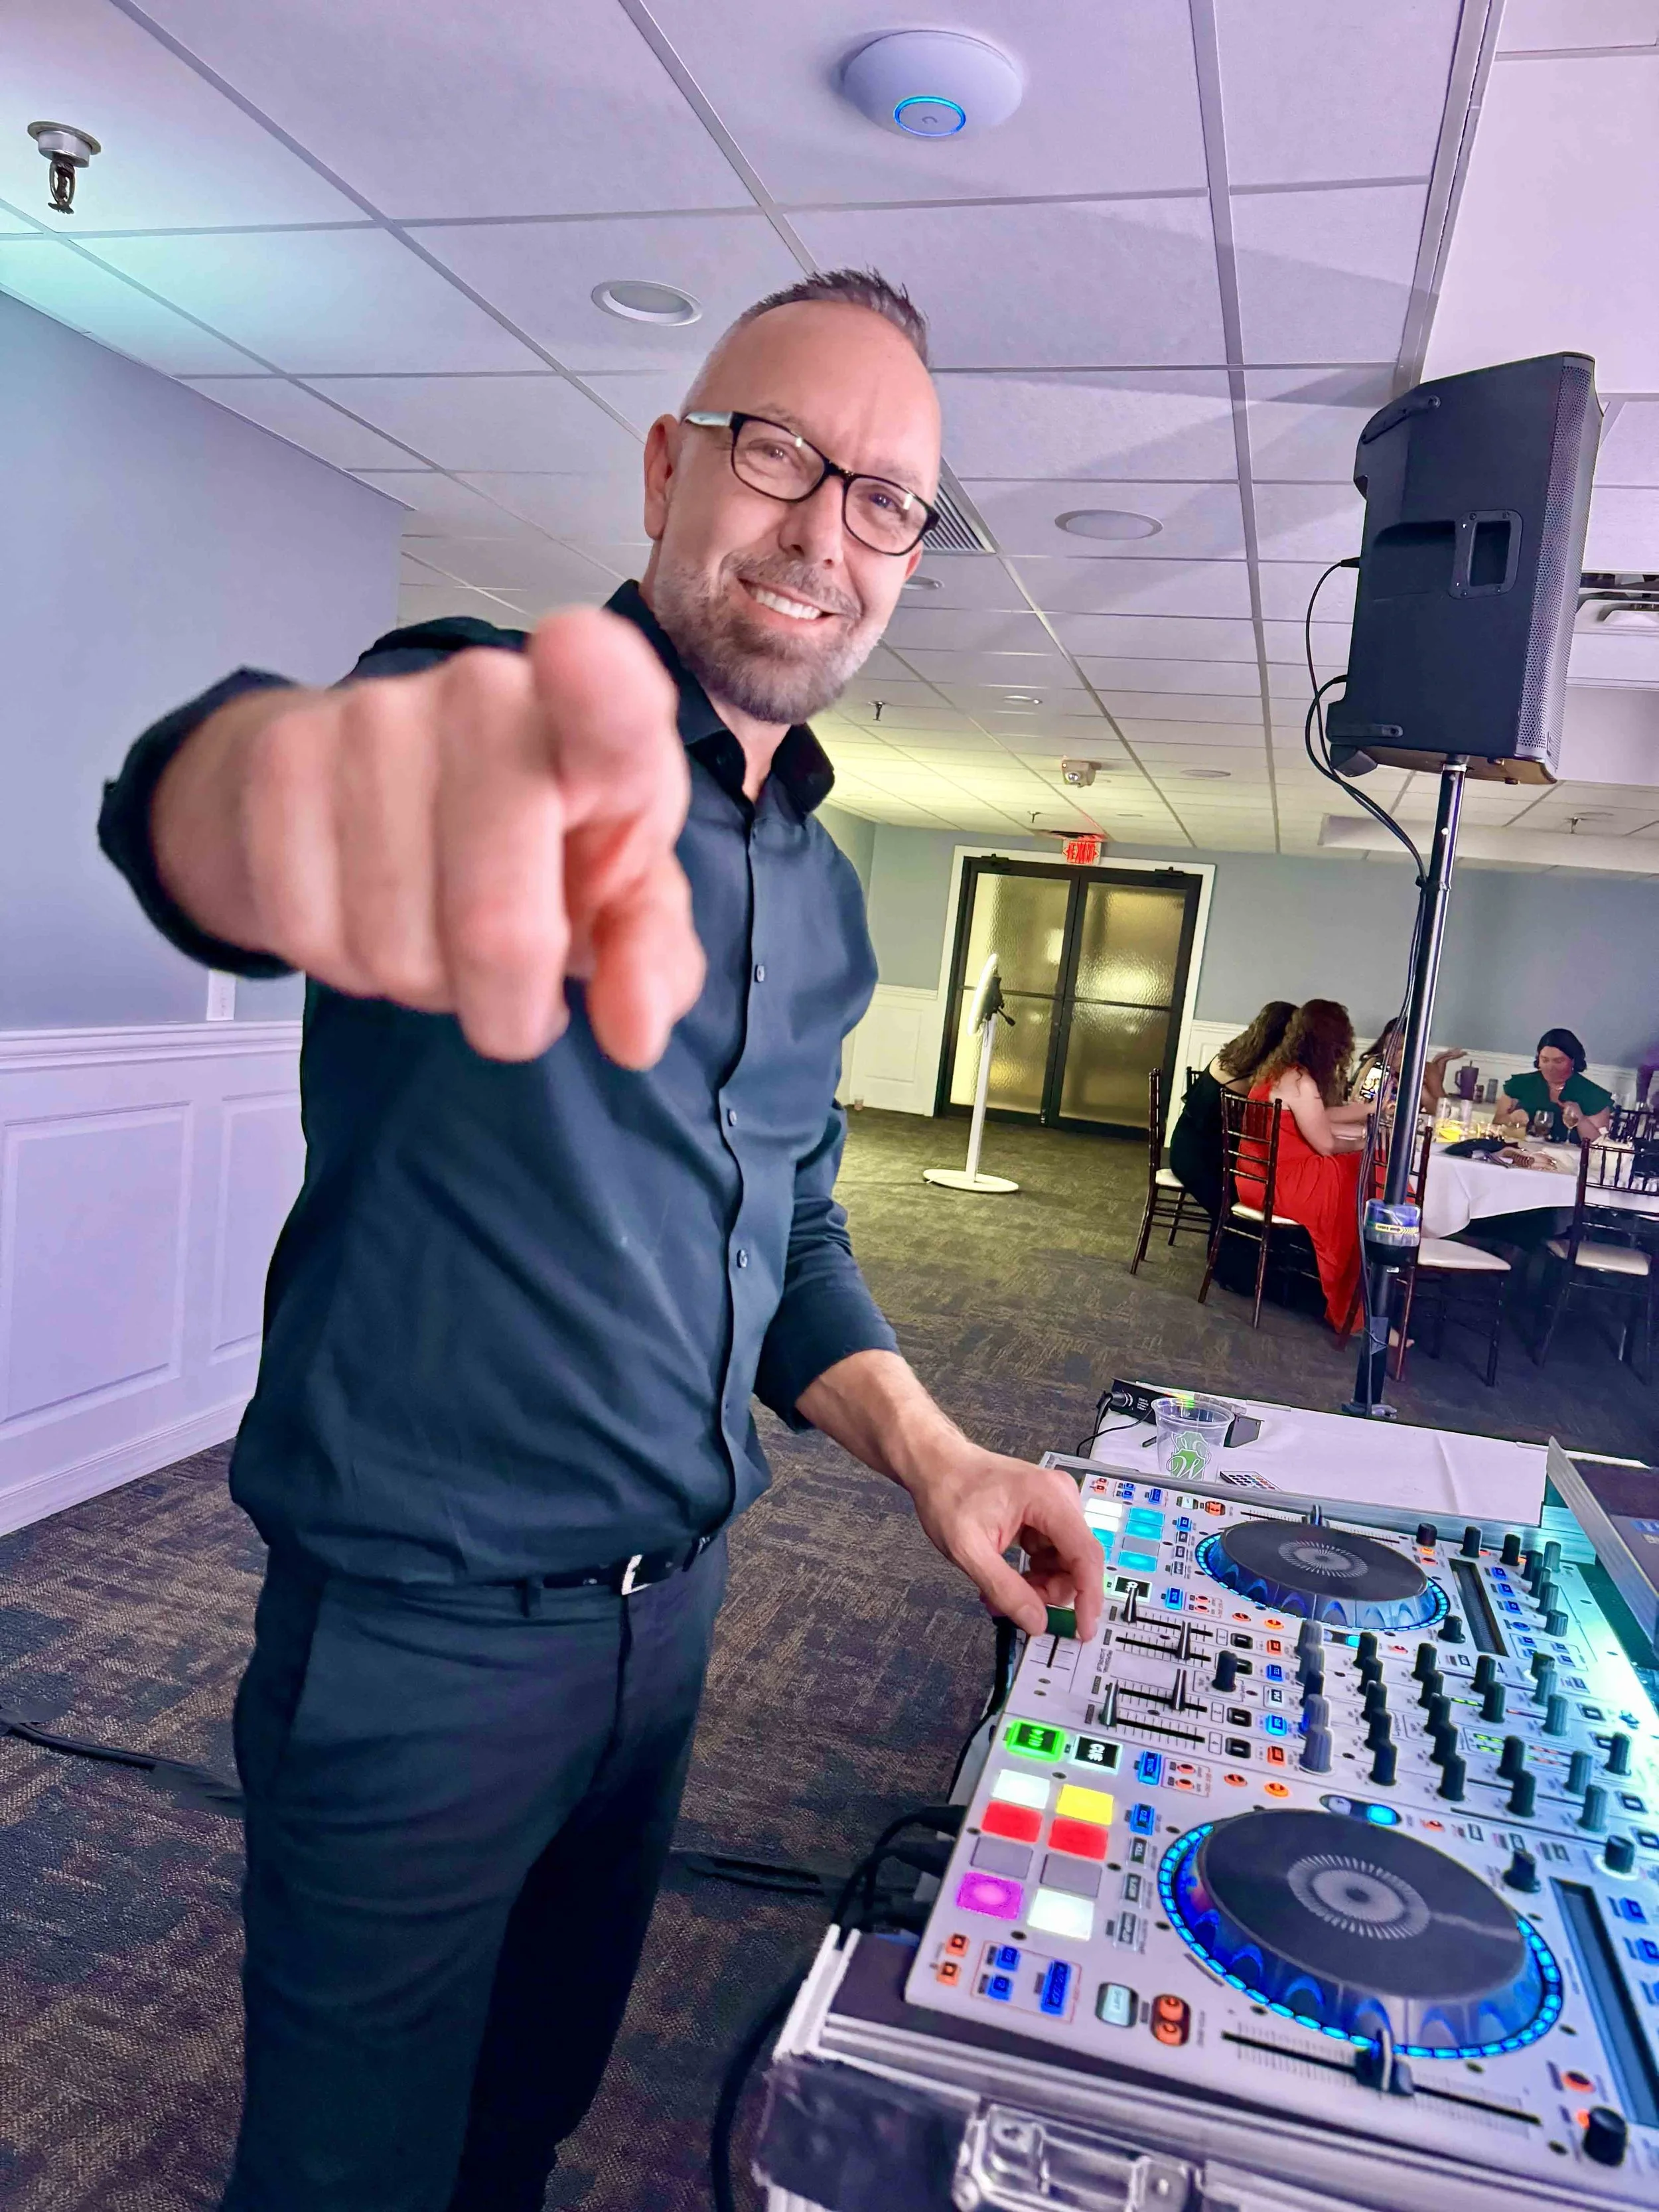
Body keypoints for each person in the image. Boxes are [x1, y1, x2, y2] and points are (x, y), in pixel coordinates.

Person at [95, 269, 1103, 2212]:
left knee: (525, 2121)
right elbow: (227, 807)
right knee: (342, 2179)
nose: (824, 524)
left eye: (883, 494)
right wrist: (262, 790)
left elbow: (787, 1234)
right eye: (778, 452)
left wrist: (938, 1455)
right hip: (417, 1641)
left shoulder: (805, 897)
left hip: (666, 1626)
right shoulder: (466, 706)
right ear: (669, 467)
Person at [1235, 999, 1366, 1331]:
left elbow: (1313, 1120)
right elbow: (1325, 1144)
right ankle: (1358, 1300)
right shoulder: (1301, 1082)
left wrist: (1363, 1117)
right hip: (1281, 1183)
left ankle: (1360, 1291)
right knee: (1366, 1177)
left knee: (1358, 1174)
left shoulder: (1277, 1071)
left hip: (1253, 1175)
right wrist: (1360, 1143)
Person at [1167, 1001, 1294, 1220]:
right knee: (1249, 1202)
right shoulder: (1256, 1077)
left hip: (1185, 1146)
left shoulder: (1231, 1056)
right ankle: (1232, 1247)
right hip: (1206, 1161)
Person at [1496, 1029, 1613, 1144]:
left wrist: (1581, 1119)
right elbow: (1496, 1125)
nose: (1550, 1068)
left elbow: (1599, 1145)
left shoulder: (1593, 1094)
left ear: (1573, 1061)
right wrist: (1511, 1119)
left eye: (1558, 1061)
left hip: (1570, 1160)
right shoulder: (1520, 1084)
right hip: (1521, 1155)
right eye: (1545, 1060)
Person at [1348, 1017, 1465, 1112]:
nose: (1391, 1052)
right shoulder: (1375, 1065)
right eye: (1388, 1046)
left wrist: (1421, 1089)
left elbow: (1443, 1112)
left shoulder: (1426, 1070)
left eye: (1398, 1047)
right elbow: (1356, 1103)